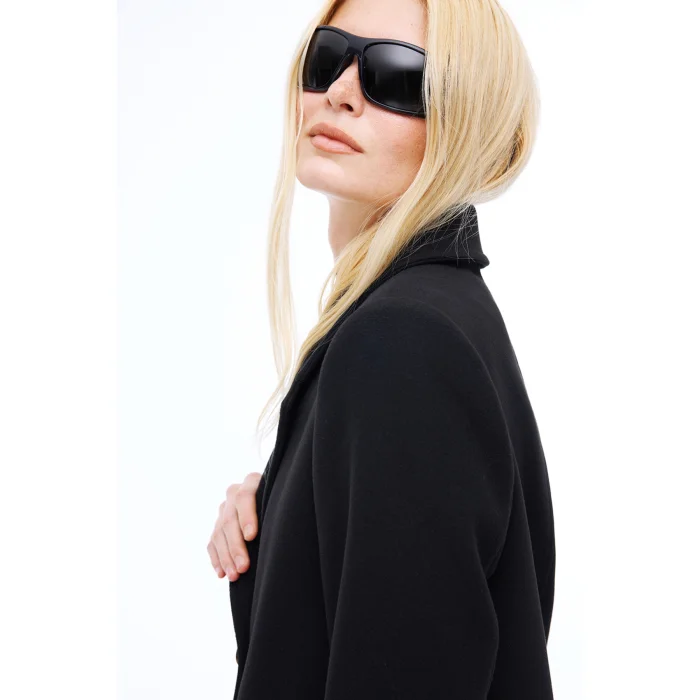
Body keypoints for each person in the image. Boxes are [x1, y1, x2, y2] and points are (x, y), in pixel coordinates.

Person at [207, 0, 556, 698]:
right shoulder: (427, 316)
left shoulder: (404, 343)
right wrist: (281, 524)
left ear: (465, 120)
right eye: (326, 58)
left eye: (396, 76)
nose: (340, 92)